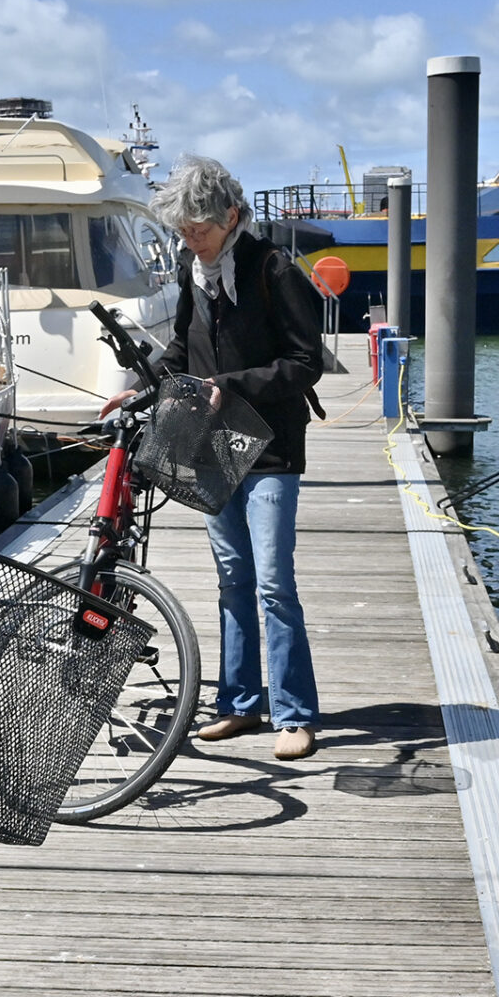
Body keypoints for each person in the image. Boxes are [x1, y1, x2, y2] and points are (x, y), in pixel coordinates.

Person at [105, 155, 325, 761]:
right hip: (213, 444)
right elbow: (181, 347)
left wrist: (233, 384)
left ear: (230, 216)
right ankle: (239, 703)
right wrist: (142, 385)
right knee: (233, 580)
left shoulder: (273, 268)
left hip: (273, 447)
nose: (190, 240)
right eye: (182, 231)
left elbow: (306, 362)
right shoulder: (192, 271)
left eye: (197, 229)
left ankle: (295, 715)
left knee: (273, 583)